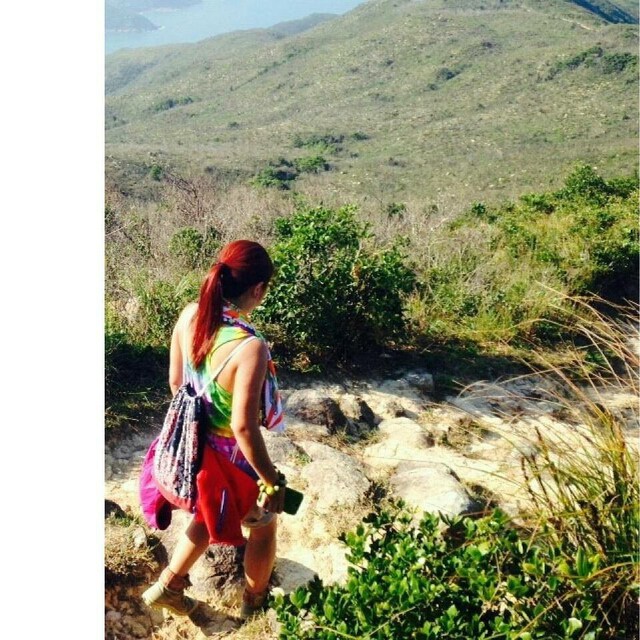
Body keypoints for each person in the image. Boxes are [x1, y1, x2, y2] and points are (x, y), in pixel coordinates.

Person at [141, 240, 286, 620]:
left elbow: (176, 383)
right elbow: (243, 426)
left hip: (191, 449)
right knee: (264, 522)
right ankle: (255, 603)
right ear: (258, 289)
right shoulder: (248, 346)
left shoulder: (191, 315)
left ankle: (169, 586)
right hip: (226, 459)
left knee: (208, 513)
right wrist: (272, 480)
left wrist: (197, 430)